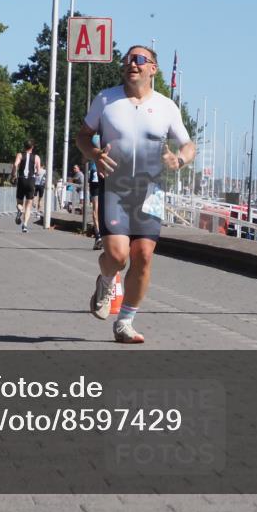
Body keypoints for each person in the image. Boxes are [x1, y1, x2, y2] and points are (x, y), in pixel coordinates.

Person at [76, 45, 195, 344]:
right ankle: (106, 279)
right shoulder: (106, 99)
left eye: (140, 60)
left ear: (153, 68)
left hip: (150, 190)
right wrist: (93, 154)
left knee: (142, 256)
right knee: (117, 256)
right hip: (115, 187)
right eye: (128, 59)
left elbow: (188, 145)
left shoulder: (167, 106)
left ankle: (125, 322)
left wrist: (179, 160)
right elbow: (82, 136)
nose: (132, 64)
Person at [11, 139, 41, 233]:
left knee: (19, 202)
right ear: (32, 147)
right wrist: (35, 173)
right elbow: (38, 171)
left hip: (21, 180)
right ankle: (25, 225)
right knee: (28, 205)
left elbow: (15, 165)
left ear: (24, 146)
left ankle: (20, 210)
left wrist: (13, 175)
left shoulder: (20, 155)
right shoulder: (36, 157)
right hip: (31, 181)